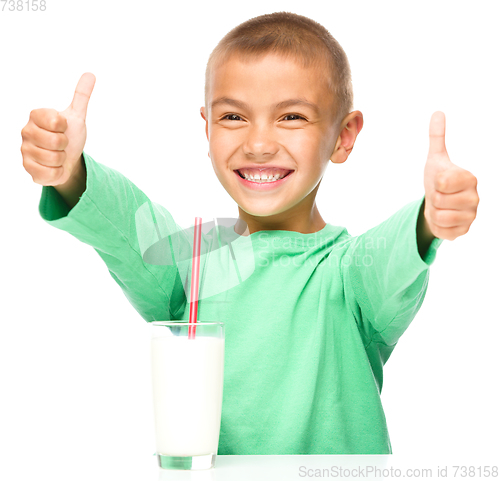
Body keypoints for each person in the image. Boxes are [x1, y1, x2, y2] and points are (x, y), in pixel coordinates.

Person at [20, 11, 479, 454]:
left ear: (344, 136)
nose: (258, 144)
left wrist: (429, 218)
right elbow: (125, 224)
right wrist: (70, 172)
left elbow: (395, 256)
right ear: (206, 128)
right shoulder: (191, 262)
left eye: (292, 117)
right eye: (234, 117)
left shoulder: (349, 274)